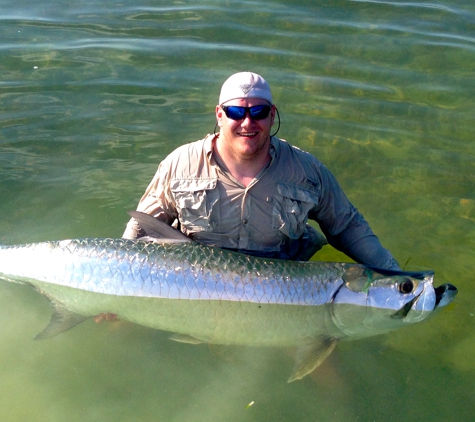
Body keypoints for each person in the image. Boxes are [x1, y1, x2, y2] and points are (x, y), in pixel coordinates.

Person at [123, 71, 400, 269]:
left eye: (258, 113)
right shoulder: (180, 164)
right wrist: (117, 281)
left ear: (272, 115)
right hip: (194, 280)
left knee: (322, 352)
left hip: (283, 286)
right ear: (219, 114)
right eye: (236, 112)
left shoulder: (306, 171)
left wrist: (393, 273)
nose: (247, 122)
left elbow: (347, 226)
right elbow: (141, 227)